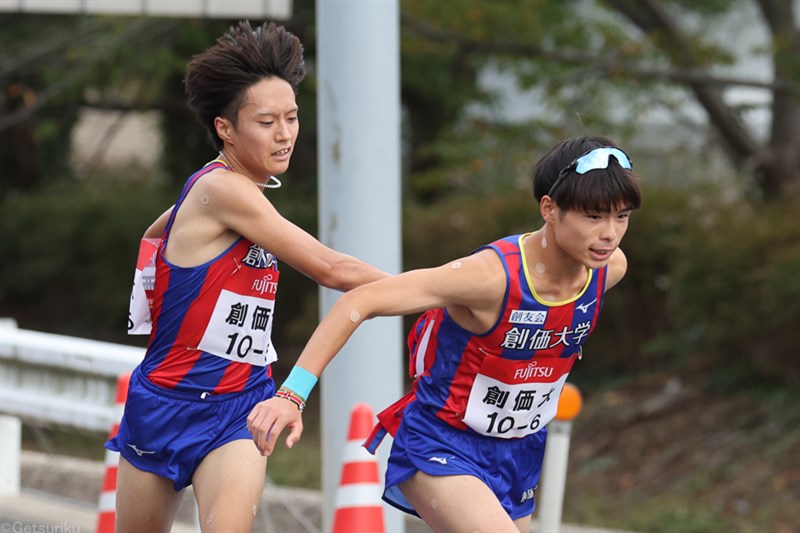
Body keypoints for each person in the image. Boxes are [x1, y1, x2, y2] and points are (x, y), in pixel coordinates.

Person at [247, 135, 643, 533]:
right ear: (549, 209)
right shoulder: (489, 276)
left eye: (621, 217)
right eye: (594, 217)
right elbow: (360, 302)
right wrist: (291, 393)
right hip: (444, 441)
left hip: (521, 448)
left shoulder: (610, 269)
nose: (610, 233)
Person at [106, 21, 388, 533]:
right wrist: (434, 292)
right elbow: (331, 269)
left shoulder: (222, 194)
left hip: (240, 405)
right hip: (166, 401)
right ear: (226, 128)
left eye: (292, 117)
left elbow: (154, 235)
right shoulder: (225, 191)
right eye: (266, 121)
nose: (284, 134)